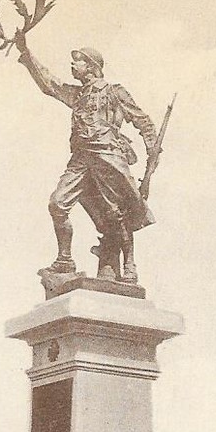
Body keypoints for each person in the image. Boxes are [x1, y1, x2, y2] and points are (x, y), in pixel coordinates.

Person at [15, 31, 157, 283]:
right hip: (81, 159)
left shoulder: (114, 92)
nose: (72, 65)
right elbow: (50, 84)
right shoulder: (78, 94)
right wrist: (26, 54)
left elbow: (142, 120)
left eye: (77, 61)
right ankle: (64, 260)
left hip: (107, 156)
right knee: (57, 204)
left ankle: (129, 265)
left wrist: (152, 147)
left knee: (116, 214)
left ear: (91, 67)